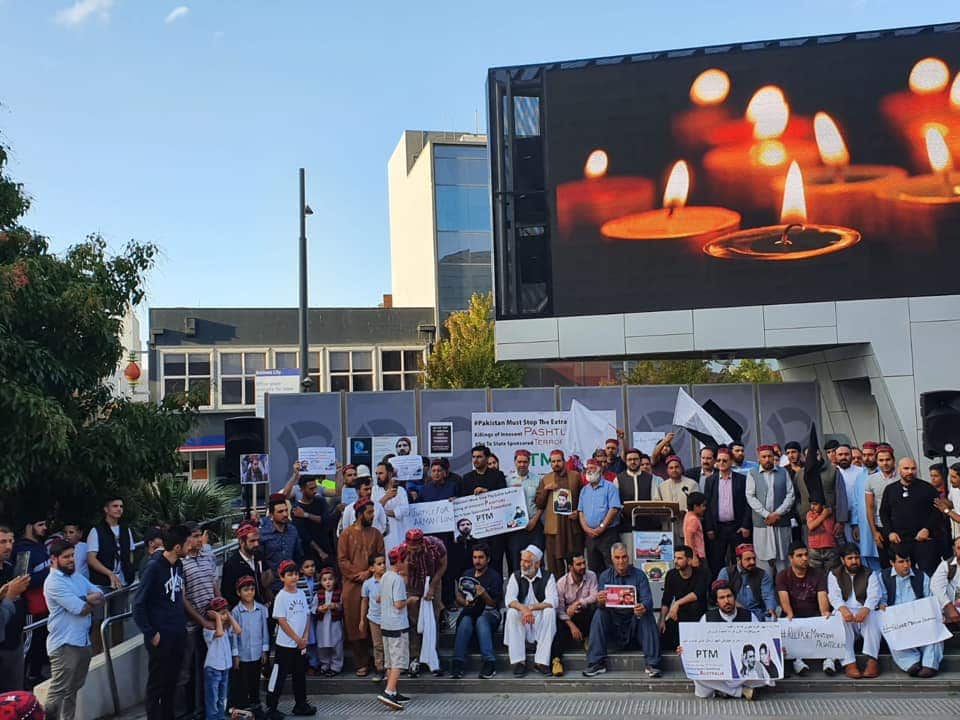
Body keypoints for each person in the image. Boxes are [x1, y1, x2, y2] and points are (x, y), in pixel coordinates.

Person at [42, 538, 104, 720]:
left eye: (72, 556)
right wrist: (87, 600)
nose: (71, 560)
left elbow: (99, 595)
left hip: (82, 640)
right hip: (64, 644)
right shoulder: (53, 582)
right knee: (58, 692)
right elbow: (81, 609)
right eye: (66, 557)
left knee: (73, 689)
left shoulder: (75, 575)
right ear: (54, 559)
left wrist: (84, 599)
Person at [678, 580, 770, 700]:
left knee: (765, 675)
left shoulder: (748, 616)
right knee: (698, 677)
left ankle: (723, 691)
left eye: (729, 596)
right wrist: (685, 650)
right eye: (721, 598)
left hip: (741, 670)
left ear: (734, 597)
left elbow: (762, 640)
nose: (726, 601)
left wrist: (775, 650)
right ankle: (740, 691)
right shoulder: (707, 618)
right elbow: (696, 644)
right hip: (717, 670)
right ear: (716, 601)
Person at [133, 525, 189, 720]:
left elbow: (178, 596)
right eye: (187, 543)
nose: (190, 546)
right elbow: (138, 604)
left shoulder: (179, 565)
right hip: (160, 635)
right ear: (176, 547)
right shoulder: (154, 567)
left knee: (173, 682)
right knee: (157, 684)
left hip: (177, 632)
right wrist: (151, 633)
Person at [583, 543, 661, 678]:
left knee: (647, 615)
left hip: (635, 625)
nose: (621, 561)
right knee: (599, 614)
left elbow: (648, 600)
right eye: (617, 557)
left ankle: (652, 664)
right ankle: (596, 663)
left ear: (628, 557)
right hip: (614, 625)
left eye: (624, 557)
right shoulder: (605, 576)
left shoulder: (639, 575)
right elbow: (601, 604)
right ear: (612, 559)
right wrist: (600, 601)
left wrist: (642, 607)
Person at [337, 497, 385, 678]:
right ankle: (361, 662)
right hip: (352, 585)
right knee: (354, 622)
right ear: (359, 514)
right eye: (369, 513)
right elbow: (342, 560)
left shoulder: (376, 534)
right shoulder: (346, 534)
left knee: (375, 620)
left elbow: (381, 557)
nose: (372, 516)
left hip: (375, 583)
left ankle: (378, 661)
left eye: (373, 512)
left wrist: (370, 573)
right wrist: (360, 574)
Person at [879, 546, 943, 677]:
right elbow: (882, 599)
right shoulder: (883, 577)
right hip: (897, 621)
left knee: (936, 629)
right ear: (892, 563)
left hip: (919, 618)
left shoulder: (921, 576)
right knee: (891, 633)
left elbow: (929, 598)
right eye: (901, 562)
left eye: (908, 561)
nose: (906, 565)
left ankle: (929, 664)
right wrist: (882, 605)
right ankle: (911, 662)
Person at [827, 543, 883, 679]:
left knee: (874, 616)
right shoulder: (834, 574)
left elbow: (874, 595)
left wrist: (865, 610)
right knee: (839, 617)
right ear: (842, 560)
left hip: (863, 611)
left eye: (856, 558)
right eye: (850, 558)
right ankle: (849, 663)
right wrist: (844, 610)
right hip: (846, 613)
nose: (854, 561)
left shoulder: (870, 573)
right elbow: (834, 596)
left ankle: (872, 660)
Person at [267, 560, 314, 718]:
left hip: (301, 643)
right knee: (279, 675)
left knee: (300, 674)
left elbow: (307, 614)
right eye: (289, 574)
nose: (293, 577)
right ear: (282, 577)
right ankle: (271, 707)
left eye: (295, 574)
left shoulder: (301, 593)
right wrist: (296, 638)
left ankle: (301, 704)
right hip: (286, 644)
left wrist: (305, 636)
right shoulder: (281, 596)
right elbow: (282, 621)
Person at [179, 523, 218, 716]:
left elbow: (213, 584)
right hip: (191, 625)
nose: (199, 539)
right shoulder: (181, 562)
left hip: (211, 621)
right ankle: (187, 711)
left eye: (200, 535)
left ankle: (203, 709)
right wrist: (201, 621)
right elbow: (183, 598)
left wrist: (220, 610)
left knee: (207, 667)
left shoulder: (208, 557)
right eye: (195, 536)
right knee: (187, 671)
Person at [880, 457, 942, 577]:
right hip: (901, 542)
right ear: (899, 470)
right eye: (906, 468)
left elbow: (937, 512)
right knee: (906, 575)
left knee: (929, 573)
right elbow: (884, 513)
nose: (910, 471)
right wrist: (890, 532)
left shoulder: (927, 488)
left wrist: (927, 529)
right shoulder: (890, 490)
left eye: (913, 468)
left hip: (923, 541)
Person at [776, 542, 830, 676]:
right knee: (784, 622)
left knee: (830, 619)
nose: (805, 558)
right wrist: (790, 616)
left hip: (814, 615)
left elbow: (822, 598)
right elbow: (784, 600)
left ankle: (829, 659)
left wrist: (825, 615)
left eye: (806, 555)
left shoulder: (818, 574)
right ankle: (797, 661)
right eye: (799, 555)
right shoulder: (782, 575)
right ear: (790, 558)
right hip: (794, 616)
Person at [451, 543, 502, 680]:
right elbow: (459, 597)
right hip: (470, 610)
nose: (477, 561)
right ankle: (457, 662)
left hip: (489, 612)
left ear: (488, 559)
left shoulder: (494, 577)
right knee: (466, 621)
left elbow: (494, 604)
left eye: (481, 557)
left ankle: (489, 662)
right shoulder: (466, 574)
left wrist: (484, 594)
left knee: (481, 620)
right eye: (475, 557)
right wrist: (464, 602)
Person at [504, 545, 557, 677]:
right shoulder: (515, 576)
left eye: (527, 561)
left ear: (537, 563)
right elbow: (509, 600)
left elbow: (553, 601)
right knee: (511, 612)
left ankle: (541, 662)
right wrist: (524, 609)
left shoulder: (548, 577)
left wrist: (531, 608)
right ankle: (519, 661)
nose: (523, 564)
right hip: (522, 618)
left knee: (550, 612)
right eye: (522, 560)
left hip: (539, 618)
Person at [402, 528, 446, 677]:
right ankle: (415, 657)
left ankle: (433, 656)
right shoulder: (402, 551)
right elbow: (402, 574)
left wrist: (432, 587)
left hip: (433, 579)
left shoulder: (436, 546)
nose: (413, 551)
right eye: (410, 548)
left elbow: (443, 565)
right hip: (413, 584)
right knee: (414, 621)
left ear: (422, 543)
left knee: (432, 619)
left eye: (416, 548)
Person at [701, 447, 752, 578]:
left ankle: (741, 589)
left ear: (731, 462)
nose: (721, 463)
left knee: (739, 561)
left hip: (737, 527)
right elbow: (706, 505)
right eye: (719, 460)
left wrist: (746, 525)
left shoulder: (741, 479)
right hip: (718, 529)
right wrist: (709, 528)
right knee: (717, 561)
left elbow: (748, 504)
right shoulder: (710, 480)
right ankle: (719, 591)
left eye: (725, 460)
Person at [745, 445, 795, 574]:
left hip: (781, 523)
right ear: (759, 459)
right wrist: (767, 515)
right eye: (764, 457)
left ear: (774, 458)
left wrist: (777, 513)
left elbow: (791, 495)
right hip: (762, 524)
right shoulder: (752, 473)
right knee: (763, 562)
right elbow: (750, 496)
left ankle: (783, 591)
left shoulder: (783, 472)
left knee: (783, 560)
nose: (767, 459)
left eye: (770, 456)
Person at [12, 516, 50, 685]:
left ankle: (34, 674)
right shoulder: (23, 550)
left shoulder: (40, 546)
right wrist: (49, 574)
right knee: (29, 643)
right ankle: (22, 679)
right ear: (29, 527)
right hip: (31, 607)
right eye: (40, 524)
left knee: (40, 641)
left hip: (44, 604)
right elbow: (22, 581)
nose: (45, 528)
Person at [535, 450, 584, 577]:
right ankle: (557, 592)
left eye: (559, 461)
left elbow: (583, 498)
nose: (556, 464)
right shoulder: (546, 479)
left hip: (572, 527)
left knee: (575, 562)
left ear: (564, 461)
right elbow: (539, 503)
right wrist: (546, 490)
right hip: (554, 529)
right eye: (553, 461)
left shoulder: (575, 476)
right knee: (554, 565)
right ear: (550, 463)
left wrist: (577, 512)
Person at [551, 551, 597, 677]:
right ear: (570, 567)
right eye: (578, 564)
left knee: (596, 611)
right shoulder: (561, 583)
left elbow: (594, 596)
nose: (583, 566)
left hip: (584, 613)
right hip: (567, 618)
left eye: (584, 563)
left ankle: (589, 639)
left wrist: (579, 603)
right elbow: (559, 609)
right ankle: (556, 660)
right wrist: (571, 625)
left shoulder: (591, 575)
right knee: (556, 624)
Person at [378, 546, 412, 711]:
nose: (407, 563)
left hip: (385, 624)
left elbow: (380, 597)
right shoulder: (397, 580)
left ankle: (394, 690)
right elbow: (399, 604)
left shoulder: (385, 576)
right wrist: (410, 601)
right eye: (405, 560)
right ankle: (389, 691)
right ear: (399, 561)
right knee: (398, 660)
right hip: (398, 625)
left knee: (390, 660)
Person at [229, 576, 269, 717]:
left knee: (255, 679)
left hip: (257, 651)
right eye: (245, 590)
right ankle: (243, 707)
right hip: (243, 653)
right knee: (243, 681)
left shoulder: (261, 609)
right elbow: (234, 634)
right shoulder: (236, 612)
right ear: (239, 593)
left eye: (252, 589)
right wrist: (236, 654)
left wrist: (264, 650)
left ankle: (255, 703)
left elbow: (265, 630)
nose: (249, 593)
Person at [657, 545, 709, 651]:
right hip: (679, 616)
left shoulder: (702, 573)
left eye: (680, 558)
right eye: (675, 558)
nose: (676, 561)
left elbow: (696, 594)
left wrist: (677, 603)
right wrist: (662, 620)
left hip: (698, 617)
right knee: (661, 636)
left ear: (689, 560)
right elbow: (666, 600)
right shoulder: (671, 575)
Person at [578, 458, 623, 573]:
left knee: (611, 566)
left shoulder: (610, 487)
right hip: (590, 536)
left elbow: (613, 509)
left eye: (592, 468)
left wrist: (601, 527)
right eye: (587, 469)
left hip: (608, 534)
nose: (589, 471)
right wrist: (586, 529)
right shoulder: (584, 490)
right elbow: (580, 512)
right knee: (593, 569)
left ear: (600, 470)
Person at [0, 525, 29, 692]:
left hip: (16, 642)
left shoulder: (12, 568)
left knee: (16, 695)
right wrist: (8, 595)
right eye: (2, 542)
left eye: (11, 541)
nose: (9, 546)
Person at [506, 450, 545, 575]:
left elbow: (541, 504)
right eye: (519, 462)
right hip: (515, 528)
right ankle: (518, 591)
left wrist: (534, 520)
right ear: (515, 462)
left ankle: (539, 591)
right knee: (517, 562)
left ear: (529, 463)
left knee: (536, 560)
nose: (522, 464)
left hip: (534, 526)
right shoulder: (508, 481)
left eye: (525, 461)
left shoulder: (538, 480)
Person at [716, 544, 777, 621]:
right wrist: (743, 612)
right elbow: (720, 594)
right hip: (734, 613)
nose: (752, 562)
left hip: (757, 613)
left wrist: (771, 609)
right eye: (748, 559)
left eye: (754, 558)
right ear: (738, 560)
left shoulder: (762, 574)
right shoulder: (726, 572)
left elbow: (768, 595)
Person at [87, 496, 135, 592]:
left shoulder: (126, 530)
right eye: (115, 506)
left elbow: (130, 552)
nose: (119, 509)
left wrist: (129, 568)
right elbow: (91, 559)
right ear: (106, 509)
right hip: (102, 582)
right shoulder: (96, 531)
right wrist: (109, 573)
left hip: (124, 581)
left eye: (121, 506)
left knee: (121, 607)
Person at [203, 597, 240, 720]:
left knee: (222, 697)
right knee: (212, 698)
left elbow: (238, 630)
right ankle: (212, 717)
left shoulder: (226, 627)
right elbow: (218, 633)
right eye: (220, 612)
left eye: (225, 612)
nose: (223, 615)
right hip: (213, 668)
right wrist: (218, 618)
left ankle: (220, 716)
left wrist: (228, 615)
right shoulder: (208, 629)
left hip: (225, 667)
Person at [864, 444, 898, 570]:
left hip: (901, 526)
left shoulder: (902, 477)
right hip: (881, 526)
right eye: (881, 460)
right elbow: (870, 507)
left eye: (888, 460)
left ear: (893, 460)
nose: (885, 463)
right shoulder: (871, 480)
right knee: (886, 564)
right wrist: (874, 532)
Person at [260, 495, 303, 594]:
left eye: (285, 510)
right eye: (280, 512)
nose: (284, 514)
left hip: (291, 584)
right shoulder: (263, 533)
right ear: (271, 515)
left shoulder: (293, 530)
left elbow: (298, 554)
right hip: (271, 587)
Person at [222, 524, 269, 609]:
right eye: (252, 541)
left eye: (257, 540)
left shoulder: (259, 556)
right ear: (241, 542)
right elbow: (228, 594)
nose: (256, 544)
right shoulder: (231, 565)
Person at [292, 476, 333, 566]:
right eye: (311, 488)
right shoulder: (297, 509)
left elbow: (327, 520)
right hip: (309, 553)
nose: (315, 491)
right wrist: (320, 552)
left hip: (327, 546)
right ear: (302, 489)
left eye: (316, 488)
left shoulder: (320, 501)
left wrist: (305, 515)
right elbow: (304, 535)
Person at [360, 553, 387, 683]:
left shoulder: (390, 580)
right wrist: (362, 619)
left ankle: (391, 668)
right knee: (378, 645)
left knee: (389, 644)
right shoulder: (368, 584)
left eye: (384, 563)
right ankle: (380, 668)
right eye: (379, 564)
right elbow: (364, 601)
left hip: (389, 617)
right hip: (374, 618)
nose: (383, 566)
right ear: (371, 568)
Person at [374, 462, 411, 558]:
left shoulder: (401, 490)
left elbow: (405, 510)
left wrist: (386, 512)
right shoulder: (374, 490)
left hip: (398, 534)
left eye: (381, 473)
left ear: (390, 474)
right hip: (382, 536)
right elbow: (373, 510)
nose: (378, 476)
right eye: (376, 473)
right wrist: (386, 497)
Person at [313, 567, 344, 676]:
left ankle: (336, 666)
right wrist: (319, 609)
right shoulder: (318, 594)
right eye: (324, 580)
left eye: (330, 579)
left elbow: (342, 607)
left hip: (334, 623)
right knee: (323, 644)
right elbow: (313, 609)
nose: (328, 582)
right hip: (322, 624)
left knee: (336, 644)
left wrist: (335, 606)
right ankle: (325, 664)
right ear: (321, 582)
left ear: (335, 580)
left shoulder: (339, 593)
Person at [835, 445, 867, 544]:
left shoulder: (861, 472)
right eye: (840, 454)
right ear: (835, 456)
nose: (843, 457)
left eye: (846, 454)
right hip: (837, 519)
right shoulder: (831, 473)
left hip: (858, 517)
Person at [931, 535, 960, 625]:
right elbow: (936, 587)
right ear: (954, 549)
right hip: (955, 615)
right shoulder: (946, 566)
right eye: (959, 548)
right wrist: (949, 607)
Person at [806, 495, 839, 570]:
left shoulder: (830, 513)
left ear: (823, 505)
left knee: (831, 573)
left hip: (830, 548)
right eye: (811, 504)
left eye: (815, 504)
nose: (812, 507)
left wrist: (827, 512)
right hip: (815, 550)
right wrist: (824, 515)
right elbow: (811, 526)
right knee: (816, 575)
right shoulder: (810, 514)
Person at [683, 492, 707, 569]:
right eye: (703, 506)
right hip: (698, 555)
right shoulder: (693, 519)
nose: (704, 508)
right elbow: (690, 538)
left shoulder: (687, 515)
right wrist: (694, 556)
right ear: (695, 506)